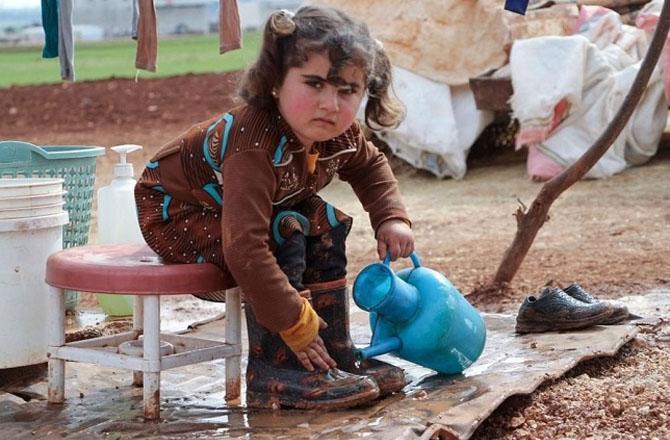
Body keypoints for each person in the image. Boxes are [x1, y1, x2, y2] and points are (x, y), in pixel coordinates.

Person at [135, 5, 414, 410]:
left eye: (346, 90)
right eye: (314, 83)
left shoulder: (339, 133)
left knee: (325, 221)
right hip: (178, 214)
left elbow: (369, 165)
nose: (330, 104)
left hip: (249, 210)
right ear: (274, 82)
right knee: (282, 229)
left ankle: (332, 353)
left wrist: (390, 217)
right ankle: (275, 369)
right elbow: (245, 250)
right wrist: (293, 322)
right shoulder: (255, 144)